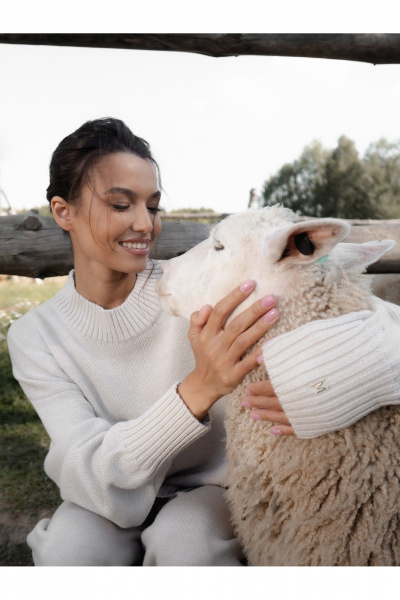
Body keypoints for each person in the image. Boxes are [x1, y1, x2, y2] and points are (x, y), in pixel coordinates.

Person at [7, 117, 400, 566]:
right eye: (120, 205)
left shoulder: (202, 286)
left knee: (187, 544)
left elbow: (376, 324)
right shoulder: (36, 337)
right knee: (67, 553)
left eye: (152, 206)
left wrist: (365, 373)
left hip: (212, 489)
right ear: (63, 212)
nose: (144, 225)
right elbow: (91, 473)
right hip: (108, 495)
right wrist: (200, 387)